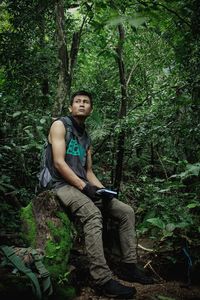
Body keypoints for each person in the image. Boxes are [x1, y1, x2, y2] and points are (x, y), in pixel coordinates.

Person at [47, 90, 154, 299]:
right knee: (93, 215)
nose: (81, 104)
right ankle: (102, 279)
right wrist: (84, 187)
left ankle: (129, 266)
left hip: (80, 184)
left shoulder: (86, 137)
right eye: (77, 101)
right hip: (59, 184)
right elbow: (59, 163)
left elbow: (88, 172)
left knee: (126, 211)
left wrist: (104, 191)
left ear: (91, 109)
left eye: (85, 102)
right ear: (70, 107)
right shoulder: (60, 125)